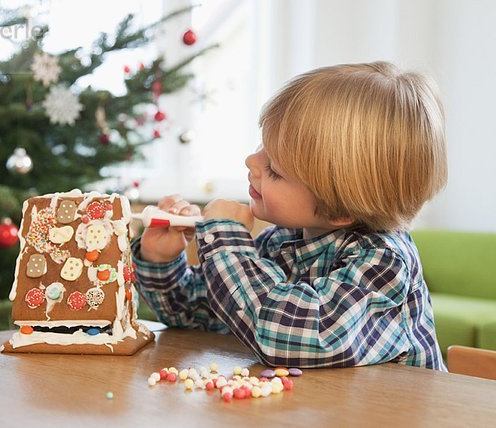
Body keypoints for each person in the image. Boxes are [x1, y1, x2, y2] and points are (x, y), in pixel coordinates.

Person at [131, 61, 448, 370]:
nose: (251, 162)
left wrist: (226, 241)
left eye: (274, 170)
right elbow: (201, 313)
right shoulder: (281, 242)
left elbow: (291, 338)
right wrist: (161, 261)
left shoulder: (384, 263)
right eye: (262, 146)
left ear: (340, 210)